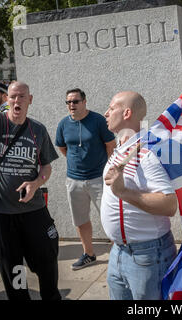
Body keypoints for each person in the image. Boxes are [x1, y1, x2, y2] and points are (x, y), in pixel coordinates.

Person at [0, 45, 61, 300]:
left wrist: (36, 183)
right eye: (12, 96)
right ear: (7, 99)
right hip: (1, 215)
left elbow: (46, 165)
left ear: (30, 100)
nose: (17, 101)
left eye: (22, 97)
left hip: (34, 212)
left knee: (47, 261)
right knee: (14, 269)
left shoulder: (38, 130)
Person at [101, 91, 177, 300]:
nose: (106, 113)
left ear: (127, 113)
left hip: (148, 256)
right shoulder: (122, 148)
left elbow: (169, 204)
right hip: (120, 252)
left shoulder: (147, 154)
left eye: (111, 108)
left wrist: (123, 191)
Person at [55, 88, 116, 270]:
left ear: (84, 101)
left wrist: (107, 170)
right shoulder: (63, 124)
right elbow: (63, 148)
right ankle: (89, 254)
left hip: (99, 178)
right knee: (80, 220)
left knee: (109, 217)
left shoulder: (98, 121)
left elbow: (110, 146)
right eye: (68, 102)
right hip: (74, 181)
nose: (71, 105)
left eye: (75, 101)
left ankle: (118, 254)